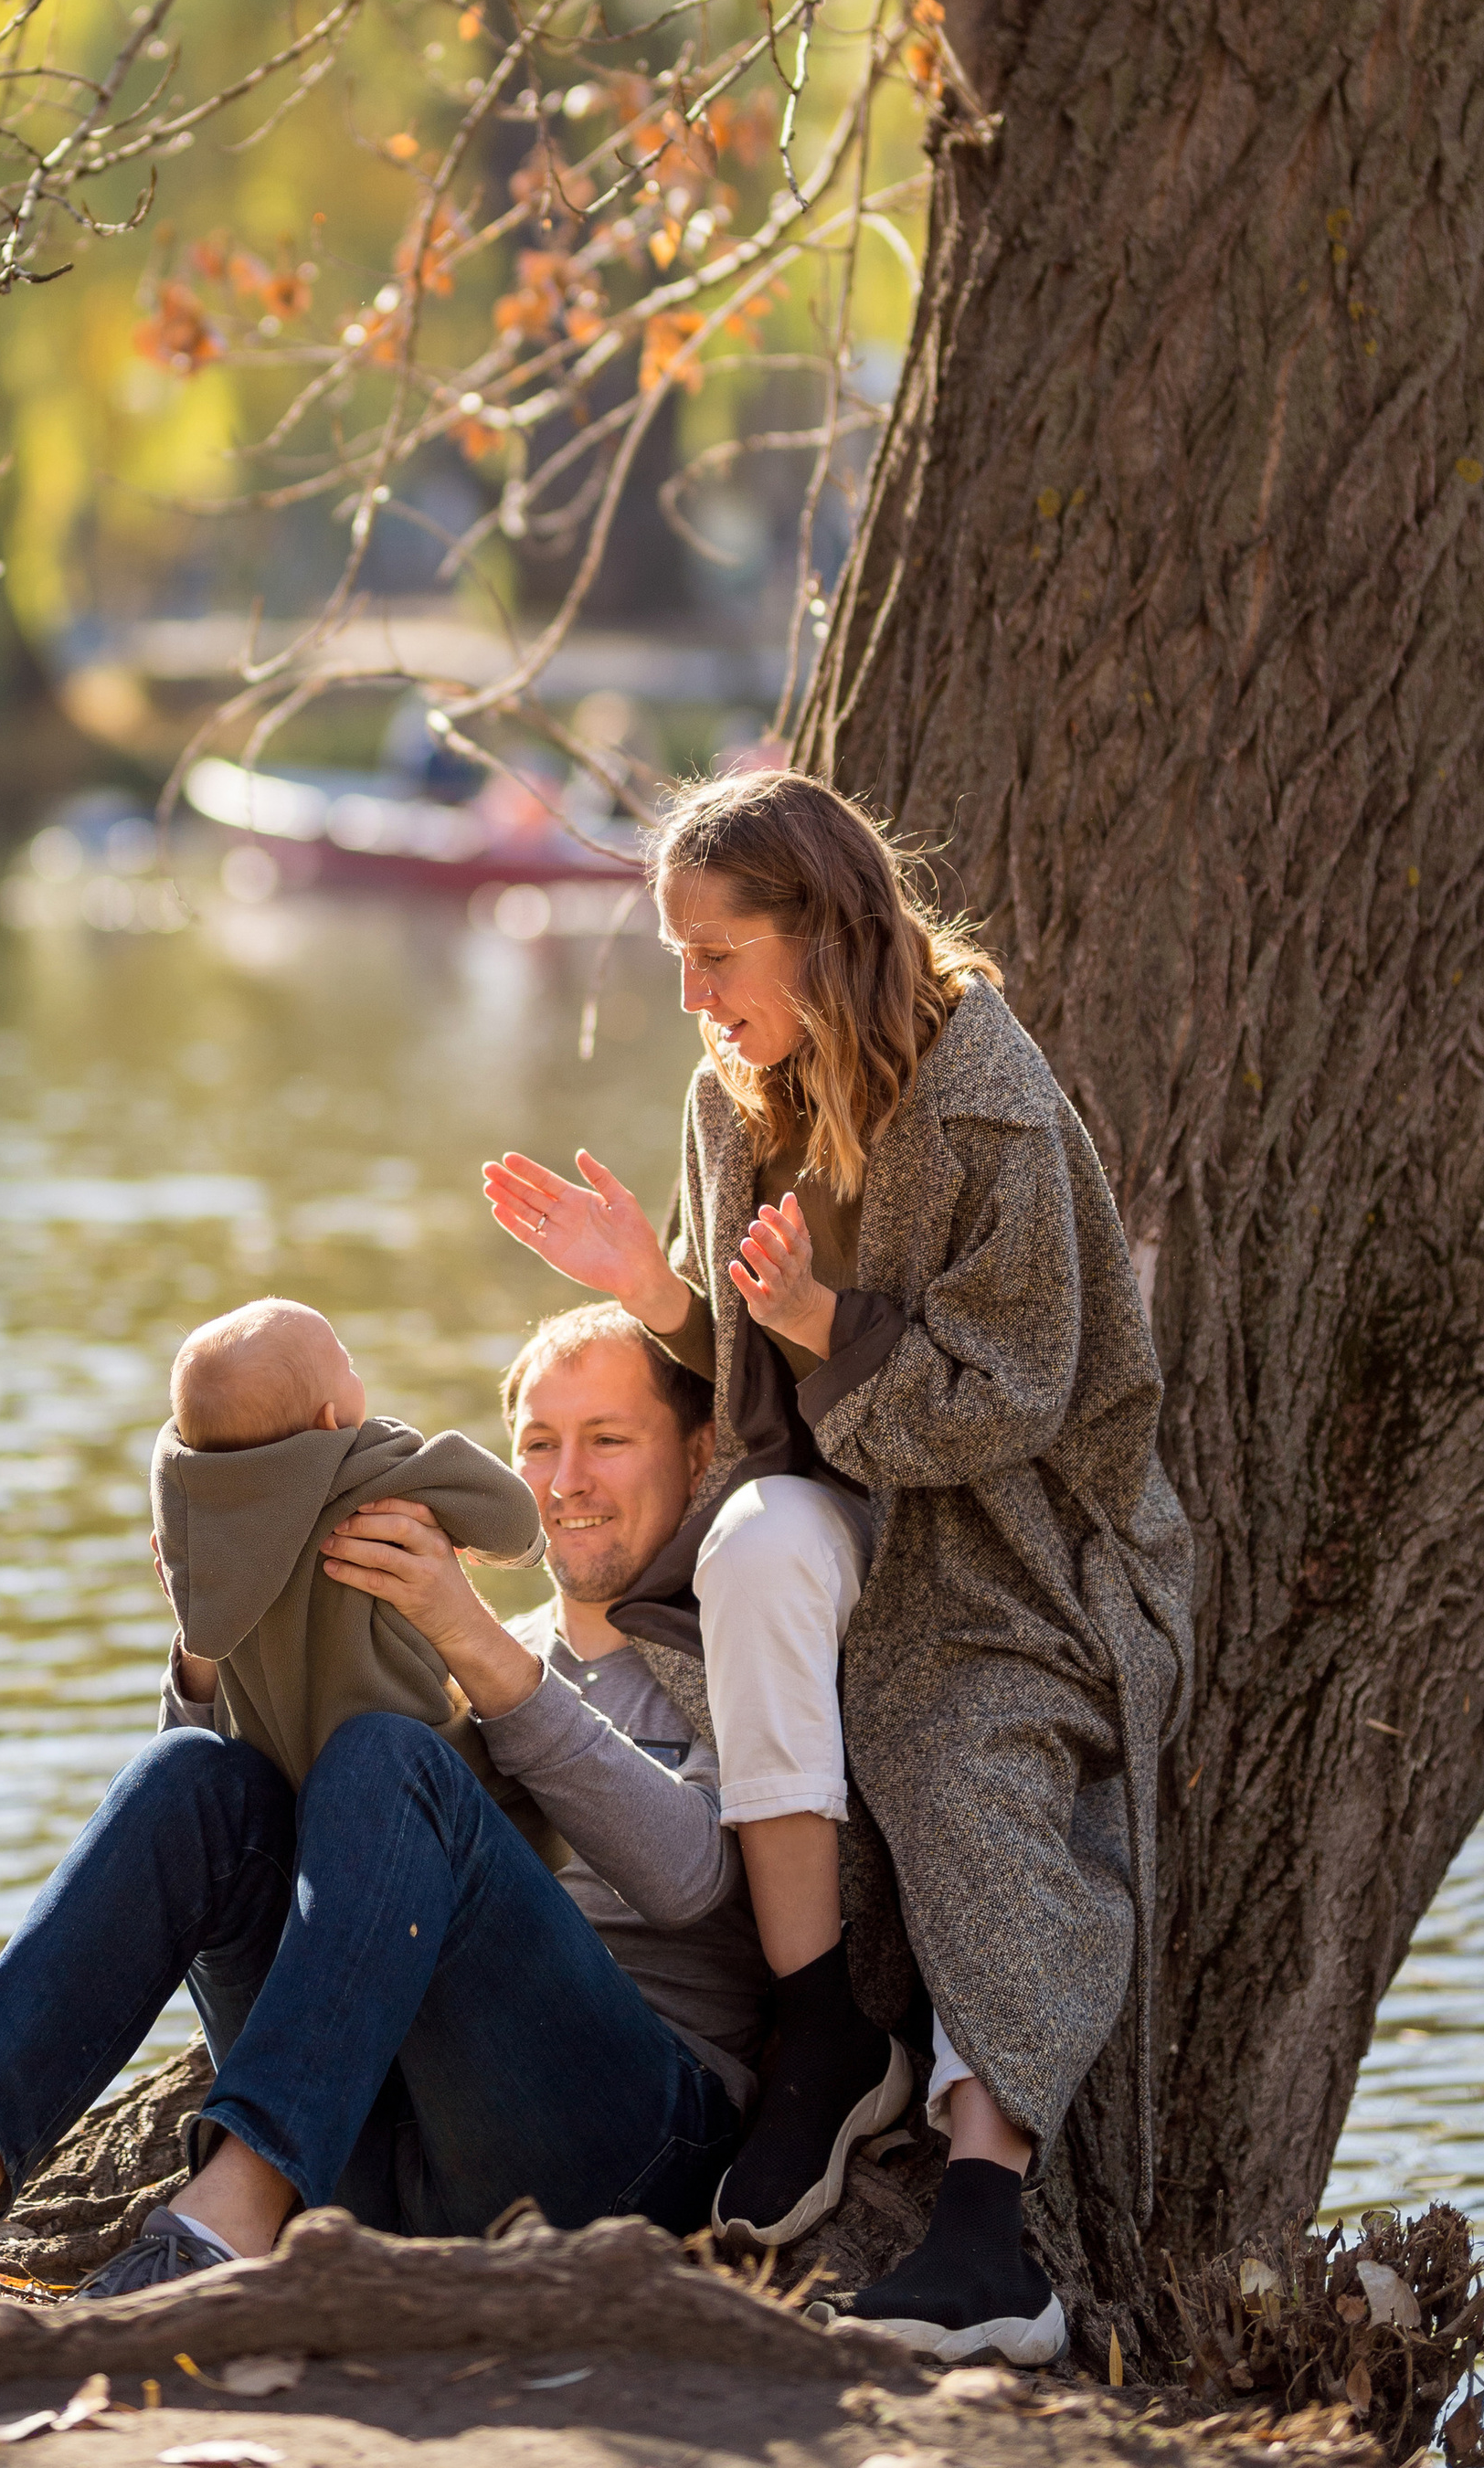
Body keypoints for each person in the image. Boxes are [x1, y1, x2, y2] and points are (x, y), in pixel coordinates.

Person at [484, 767, 1193, 2367]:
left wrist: (822, 1321)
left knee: (962, 1751)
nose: (693, 996)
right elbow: (747, 1392)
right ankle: (819, 2028)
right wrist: (658, 1292)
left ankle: (986, 2231)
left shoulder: (993, 1105)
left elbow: (1012, 1396)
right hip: (848, 1507)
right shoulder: (732, 1097)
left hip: (1026, 1543)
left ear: (822, 931)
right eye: (677, 957)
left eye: (717, 955)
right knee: (750, 1550)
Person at [0, 1308, 768, 2333]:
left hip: (615, 2148)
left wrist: (471, 1638)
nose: (565, 1481)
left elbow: (689, 1883)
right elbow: (222, 1850)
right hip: (372, 2148)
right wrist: (215, 1636)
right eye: (539, 1444)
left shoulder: (726, 1642)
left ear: (698, 1454)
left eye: (608, 1439)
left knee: (388, 1754)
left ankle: (223, 2226)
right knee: (194, 1771)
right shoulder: (417, 1635)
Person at [153, 1298, 547, 1817]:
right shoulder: (375, 1469)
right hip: (411, 1779)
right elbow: (513, 1521)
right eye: (348, 1364)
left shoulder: (198, 1532)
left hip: (278, 1798)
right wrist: (527, 1548)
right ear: (329, 1418)